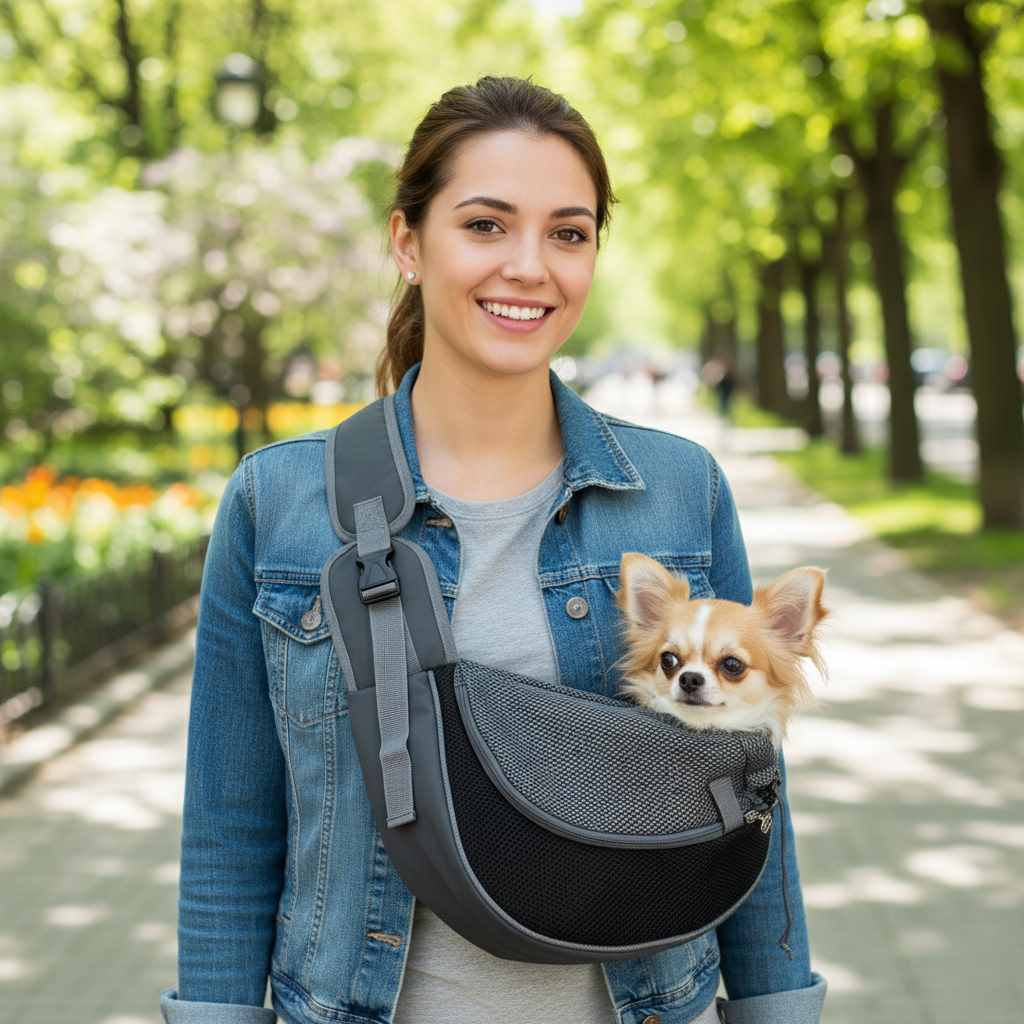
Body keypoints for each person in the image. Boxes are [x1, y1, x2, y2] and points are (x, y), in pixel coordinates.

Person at [160, 77, 826, 1024]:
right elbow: (230, 825)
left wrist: (776, 1007)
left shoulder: (681, 492)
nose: (530, 266)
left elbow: (749, 800)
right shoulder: (280, 503)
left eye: (568, 232)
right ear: (407, 243)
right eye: (484, 225)